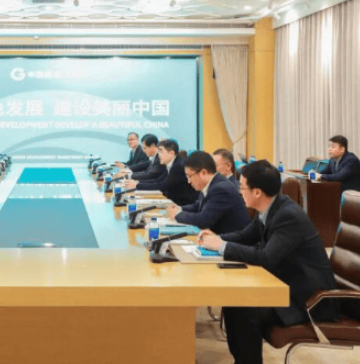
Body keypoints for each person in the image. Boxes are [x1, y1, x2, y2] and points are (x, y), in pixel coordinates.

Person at [199, 160, 339, 364]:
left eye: (242, 187)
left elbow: (266, 257)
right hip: (288, 286)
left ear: (257, 192)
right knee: (234, 300)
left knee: (245, 309)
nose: (239, 192)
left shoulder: (288, 216)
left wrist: (222, 247)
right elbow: (245, 236)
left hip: (308, 299)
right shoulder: (271, 208)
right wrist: (216, 239)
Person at [167, 151, 249, 234]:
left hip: (228, 239)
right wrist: (179, 208)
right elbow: (198, 206)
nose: (189, 181)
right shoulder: (212, 183)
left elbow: (204, 220)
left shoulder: (220, 189)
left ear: (203, 172)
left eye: (189, 176)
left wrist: (177, 214)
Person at [125, 139, 198, 205]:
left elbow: (163, 186)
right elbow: (158, 180)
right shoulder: (171, 163)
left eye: (161, 152)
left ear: (171, 153)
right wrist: (137, 183)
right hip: (173, 200)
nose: (159, 155)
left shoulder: (178, 166)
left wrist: (137, 185)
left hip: (183, 204)